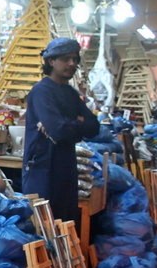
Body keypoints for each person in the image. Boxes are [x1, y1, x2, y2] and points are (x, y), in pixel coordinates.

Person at [22, 38, 100, 223]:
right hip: (42, 168)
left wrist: (70, 124)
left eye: (74, 59)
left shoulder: (70, 93)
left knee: (65, 224)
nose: (72, 64)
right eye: (66, 59)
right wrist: (77, 123)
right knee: (43, 227)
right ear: (51, 61)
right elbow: (58, 130)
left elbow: (94, 126)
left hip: (66, 168)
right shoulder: (41, 91)